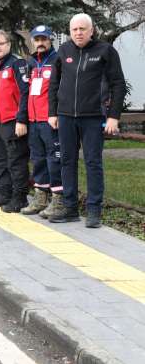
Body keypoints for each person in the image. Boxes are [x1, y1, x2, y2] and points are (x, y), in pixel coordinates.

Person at [48, 14, 126, 227]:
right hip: (65, 117)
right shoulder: (64, 51)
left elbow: (118, 84)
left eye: (82, 29)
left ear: (91, 30)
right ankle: (70, 208)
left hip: (93, 117)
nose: (78, 33)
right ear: (70, 31)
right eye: (74, 29)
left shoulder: (105, 51)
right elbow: (54, 83)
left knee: (93, 162)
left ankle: (94, 211)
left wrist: (113, 116)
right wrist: (52, 112)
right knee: (67, 161)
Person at [0, 30, 31, 213]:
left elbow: (25, 93)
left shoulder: (16, 64)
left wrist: (21, 119)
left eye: (0, 44)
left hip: (12, 121)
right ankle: (4, 193)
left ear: (8, 44)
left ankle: (20, 198)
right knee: (0, 160)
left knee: (16, 161)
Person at [22, 25, 63, 217]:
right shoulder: (31, 62)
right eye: (37, 39)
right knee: (38, 159)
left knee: (54, 159)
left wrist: (57, 114)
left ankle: (59, 200)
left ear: (50, 40)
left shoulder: (57, 60)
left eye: (43, 39)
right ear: (32, 41)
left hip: (51, 120)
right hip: (33, 120)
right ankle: (40, 198)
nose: (40, 43)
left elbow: (62, 90)